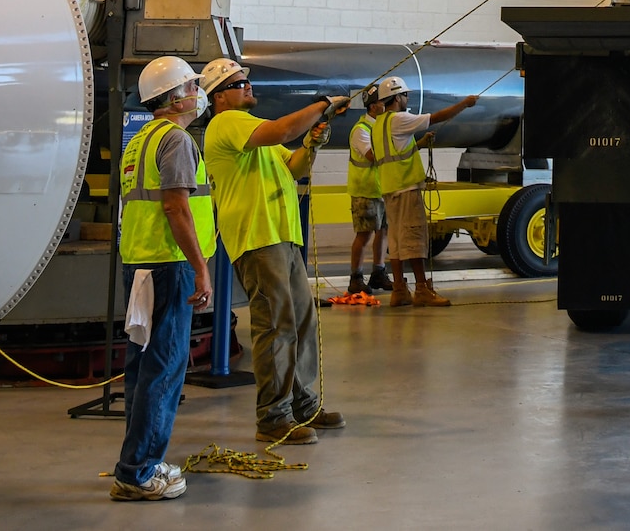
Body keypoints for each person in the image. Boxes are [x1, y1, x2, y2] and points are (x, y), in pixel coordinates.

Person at [199, 56, 349, 445]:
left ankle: (304, 407)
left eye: (246, 82)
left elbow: (293, 166)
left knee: (301, 322)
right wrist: (322, 104)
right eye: (238, 84)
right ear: (218, 97)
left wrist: (312, 143)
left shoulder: (252, 133)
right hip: (256, 239)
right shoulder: (227, 124)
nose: (248, 87)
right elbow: (284, 132)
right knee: (276, 326)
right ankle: (273, 416)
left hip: (282, 236)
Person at [110, 56, 216, 502]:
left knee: (142, 369)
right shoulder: (176, 140)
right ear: (174, 98)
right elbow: (176, 207)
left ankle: (137, 465)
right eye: (192, 85)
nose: (198, 92)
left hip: (140, 264)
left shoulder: (140, 140)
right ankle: (138, 472)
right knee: (164, 370)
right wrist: (200, 267)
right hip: (169, 266)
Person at [361, 76, 478, 308]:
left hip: (389, 189)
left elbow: (396, 151)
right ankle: (422, 289)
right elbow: (436, 118)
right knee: (414, 239)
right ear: (396, 97)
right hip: (406, 189)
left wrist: (420, 143)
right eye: (405, 95)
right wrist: (465, 104)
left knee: (395, 242)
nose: (407, 99)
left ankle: (399, 291)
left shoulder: (378, 125)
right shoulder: (400, 119)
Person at [347, 91, 391, 296]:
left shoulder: (380, 128)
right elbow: (372, 155)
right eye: (383, 102)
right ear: (373, 107)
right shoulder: (361, 130)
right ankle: (356, 278)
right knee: (364, 235)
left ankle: (378, 272)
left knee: (383, 232)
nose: (386, 105)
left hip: (381, 190)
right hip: (365, 191)